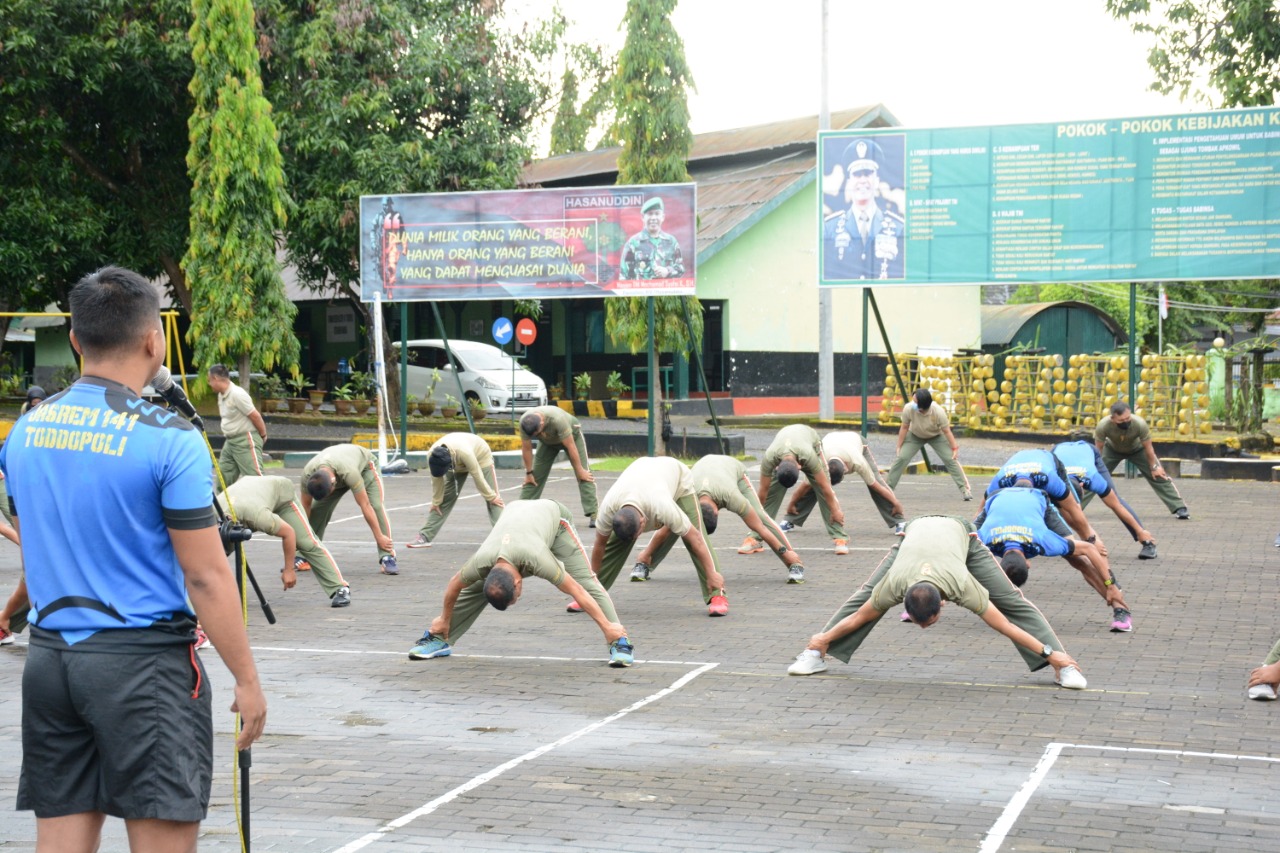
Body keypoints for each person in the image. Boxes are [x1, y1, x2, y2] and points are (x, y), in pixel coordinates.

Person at [0, 265, 265, 850]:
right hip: (141, 666)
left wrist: (15, 609)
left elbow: (37, 548)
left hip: (51, 663)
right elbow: (205, 573)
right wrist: (247, 678)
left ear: (76, 340)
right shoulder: (169, 437)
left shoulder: (25, 432)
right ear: (155, 341)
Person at [785, 515, 1087, 690]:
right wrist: (820, 637)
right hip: (912, 536)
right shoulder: (895, 584)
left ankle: (1063, 666)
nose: (925, 629)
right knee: (865, 594)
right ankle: (815, 652)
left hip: (961, 535)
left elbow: (1005, 625)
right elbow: (859, 616)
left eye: (926, 624)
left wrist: (1051, 654)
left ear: (943, 605)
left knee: (1011, 601)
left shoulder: (962, 586)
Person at [408, 500, 634, 667]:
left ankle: (618, 640)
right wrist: (443, 620)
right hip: (515, 516)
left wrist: (606, 626)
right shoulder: (481, 562)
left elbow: (576, 590)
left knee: (587, 582)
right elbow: (454, 585)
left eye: (516, 597)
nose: (519, 599)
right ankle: (440, 637)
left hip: (555, 523)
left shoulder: (538, 559)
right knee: (476, 588)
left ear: (518, 581)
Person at [975, 483, 1132, 632]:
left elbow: (1089, 549)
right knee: (965, 539)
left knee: (1077, 559)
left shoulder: (1043, 540)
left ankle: (1121, 608)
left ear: (1028, 564)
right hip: (997, 498)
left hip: (1036, 497)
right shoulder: (983, 538)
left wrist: (1111, 585)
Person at [630, 454, 805, 584]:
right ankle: (644, 563)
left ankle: (793, 563)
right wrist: (644, 554)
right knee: (676, 523)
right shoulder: (686, 496)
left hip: (732, 470)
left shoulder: (732, 497)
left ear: (719, 511)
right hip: (702, 468)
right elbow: (666, 528)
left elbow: (760, 527)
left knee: (760, 516)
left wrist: (785, 553)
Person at [588, 456, 729, 616]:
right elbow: (600, 545)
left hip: (678, 478)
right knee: (615, 542)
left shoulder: (662, 506)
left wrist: (711, 574)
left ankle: (718, 594)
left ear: (643, 522)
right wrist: (592, 583)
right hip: (644, 472)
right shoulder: (608, 509)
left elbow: (695, 538)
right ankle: (592, 594)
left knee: (695, 534)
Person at [218, 475, 351, 608]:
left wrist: (289, 569)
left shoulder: (258, 517)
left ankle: (339, 588)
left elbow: (288, 533)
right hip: (249, 491)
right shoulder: (211, 514)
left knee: (306, 542)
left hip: (281, 495)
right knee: (220, 549)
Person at [739, 424, 849, 555]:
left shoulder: (809, 456)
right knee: (770, 494)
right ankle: (754, 538)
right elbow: (763, 492)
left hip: (810, 442)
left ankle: (840, 538)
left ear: (799, 466)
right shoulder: (769, 458)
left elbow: (825, 487)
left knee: (823, 490)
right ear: (777, 468)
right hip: (785, 441)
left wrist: (835, 511)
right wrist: (756, 517)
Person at [781, 430, 906, 536]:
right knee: (815, 483)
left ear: (846, 469)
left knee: (876, 481)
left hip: (856, 442)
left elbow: (876, 486)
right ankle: (790, 519)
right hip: (831, 441)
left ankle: (899, 520)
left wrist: (896, 503)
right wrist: (790, 506)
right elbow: (804, 486)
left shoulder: (858, 462)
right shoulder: (819, 461)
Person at [1053, 436, 1158, 560]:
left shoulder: (1094, 479)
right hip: (1058, 451)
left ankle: (1147, 542)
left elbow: (1116, 505)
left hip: (1088, 450)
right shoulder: (1054, 481)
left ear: (1083, 486)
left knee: (1114, 498)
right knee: (1057, 508)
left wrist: (1140, 531)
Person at [302, 443, 398, 574]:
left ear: (332, 483)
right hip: (337, 472)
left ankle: (387, 556)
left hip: (365, 468)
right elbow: (305, 507)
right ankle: (305, 555)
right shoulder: (308, 475)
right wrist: (301, 541)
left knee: (375, 505)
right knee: (317, 509)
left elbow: (365, 505)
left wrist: (379, 536)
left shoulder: (349, 473)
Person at [822, 137, 905, 281]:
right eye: (857, 174)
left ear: (877, 180)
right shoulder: (830, 229)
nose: (862, 180)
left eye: (867, 174)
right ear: (849, 181)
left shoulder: (898, 229)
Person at [1093, 400, 1189, 520]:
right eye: (1121, 421)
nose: (1126, 422)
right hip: (1112, 450)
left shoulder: (1139, 424)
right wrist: (1094, 467)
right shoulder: (1103, 426)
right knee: (1091, 477)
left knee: (1158, 474)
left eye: (1128, 418)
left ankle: (1179, 507)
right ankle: (1075, 506)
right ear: (1112, 419)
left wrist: (1154, 467)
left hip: (1138, 450)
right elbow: (1098, 449)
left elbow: (1148, 447)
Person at [406, 432, 504, 548]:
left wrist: (491, 496)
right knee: (444, 499)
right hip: (456, 462)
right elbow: (437, 480)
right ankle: (425, 536)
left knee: (493, 498)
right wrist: (436, 502)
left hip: (479, 455)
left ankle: (506, 536)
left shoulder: (465, 452)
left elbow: (477, 475)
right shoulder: (432, 457)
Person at [984, 447, 1099, 544]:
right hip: (1022, 462)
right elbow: (980, 513)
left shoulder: (1049, 479)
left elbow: (1073, 508)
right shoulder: (999, 481)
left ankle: (1088, 543)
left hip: (1048, 461)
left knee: (1072, 511)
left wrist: (1090, 539)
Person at [886, 389, 971, 500]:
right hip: (915, 435)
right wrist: (899, 446)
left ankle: (965, 489)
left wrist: (954, 448)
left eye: (915, 401)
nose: (913, 402)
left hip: (936, 435)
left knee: (950, 459)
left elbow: (947, 431)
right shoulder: (908, 408)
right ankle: (887, 489)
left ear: (922, 407)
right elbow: (904, 427)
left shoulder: (938, 412)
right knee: (901, 458)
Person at [518, 406, 597, 525]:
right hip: (548, 443)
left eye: (538, 433)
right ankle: (520, 511)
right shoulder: (524, 423)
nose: (538, 435)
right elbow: (527, 448)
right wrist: (528, 473)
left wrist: (579, 470)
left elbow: (571, 446)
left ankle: (594, 514)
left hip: (572, 438)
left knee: (584, 474)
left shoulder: (557, 419)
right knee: (533, 478)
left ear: (542, 423)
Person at [206, 363, 268, 487]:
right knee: (222, 480)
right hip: (230, 441)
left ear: (216, 378)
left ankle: (266, 504)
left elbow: (255, 416)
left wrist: (263, 435)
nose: (209, 384)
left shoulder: (237, 394)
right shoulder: (221, 395)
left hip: (244, 439)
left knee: (255, 479)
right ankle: (225, 505)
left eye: (209, 380)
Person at [620, 197, 684, 280]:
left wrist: (667, 271)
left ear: (663, 217)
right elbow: (624, 275)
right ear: (643, 217)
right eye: (650, 214)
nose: (653, 218)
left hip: (666, 291)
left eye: (657, 214)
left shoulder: (671, 241)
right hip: (641, 292)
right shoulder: (633, 243)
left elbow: (681, 268)